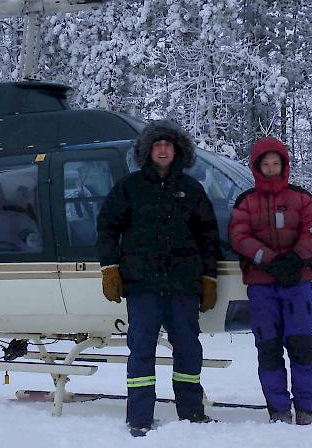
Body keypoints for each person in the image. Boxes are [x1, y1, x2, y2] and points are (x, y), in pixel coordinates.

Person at [96, 119, 220, 437]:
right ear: (147, 151)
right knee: (141, 350)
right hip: (142, 285)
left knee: (189, 348)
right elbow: (108, 227)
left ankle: (192, 412)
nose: (163, 149)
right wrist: (109, 268)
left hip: (183, 285)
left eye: (168, 144)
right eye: (157, 144)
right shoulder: (129, 187)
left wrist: (209, 278)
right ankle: (139, 417)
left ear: (177, 151)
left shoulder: (192, 190)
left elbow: (208, 236)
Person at [228, 136, 312, 425]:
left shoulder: (301, 198)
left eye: (276, 163)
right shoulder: (246, 202)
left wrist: (296, 258)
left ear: (284, 165)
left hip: (297, 283)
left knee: (302, 345)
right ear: (257, 167)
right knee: (268, 348)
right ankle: (278, 410)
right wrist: (270, 259)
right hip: (262, 285)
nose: (271, 168)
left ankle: (307, 410)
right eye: (265, 164)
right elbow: (238, 236)